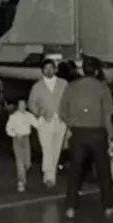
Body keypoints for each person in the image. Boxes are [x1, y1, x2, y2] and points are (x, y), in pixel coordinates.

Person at [59, 57, 113, 219]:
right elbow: (108, 115)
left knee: (75, 171)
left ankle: (70, 207)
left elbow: (62, 111)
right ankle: (109, 205)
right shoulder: (103, 87)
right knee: (103, 171)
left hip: (78, 133)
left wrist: (72, 123)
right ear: (96, 71)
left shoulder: (72, 86)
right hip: (98, 133)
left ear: (83, 70)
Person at [28, 59, 68, 188]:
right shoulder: (37, 86)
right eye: (45, 68)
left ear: (55, 69)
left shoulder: (64, 84)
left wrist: (66, 114)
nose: (48, 70)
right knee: (47, 148)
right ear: (42, 71)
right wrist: (40, 112)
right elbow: (31, 103)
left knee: (56, 148)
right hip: (45, 121)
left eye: (51, 67)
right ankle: (49, 176)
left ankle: (51, 175)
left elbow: (69, 100)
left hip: (61, 121)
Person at [5, 99, 39, 192]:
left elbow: (37, 124)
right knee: (19, 160)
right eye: (20, 105)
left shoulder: (29, 116)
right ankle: (21, 182)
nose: (22, 106)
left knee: (27, 162)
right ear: (18, 106)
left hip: (26, 139)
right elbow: (8, 129)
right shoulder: (14, 116)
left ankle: (24, 171)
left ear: (26, 106)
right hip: (17, 139)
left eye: (24, 105)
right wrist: (15, 134)